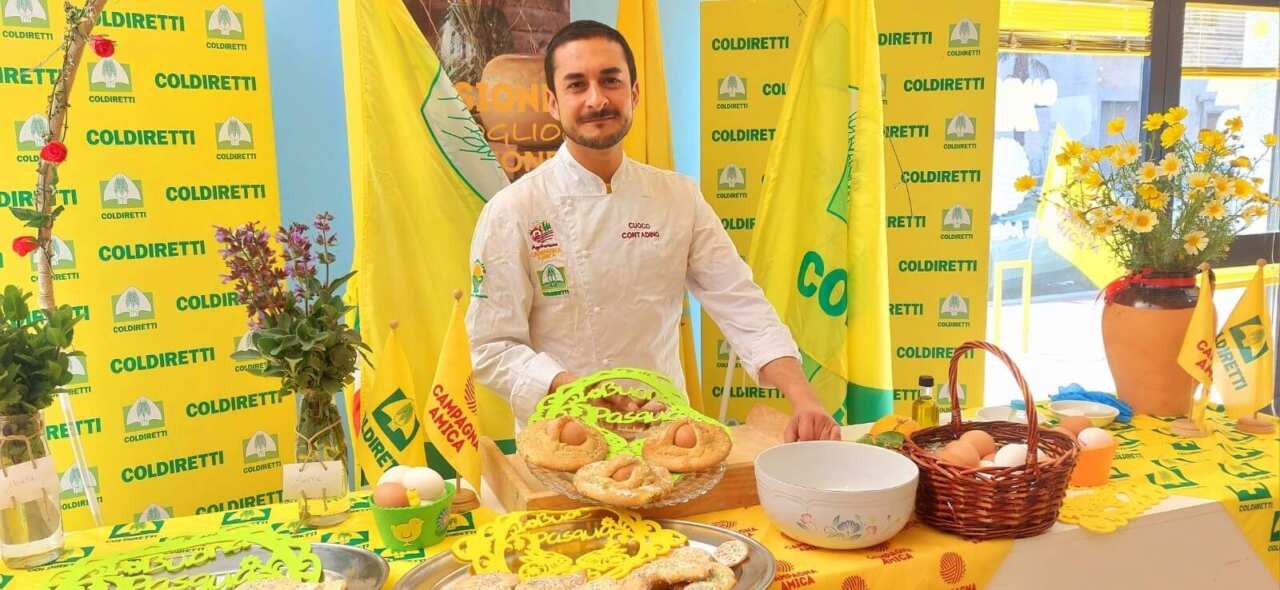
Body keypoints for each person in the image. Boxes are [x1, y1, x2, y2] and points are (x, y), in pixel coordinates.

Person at [465, 20, 840, 442]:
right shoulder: (513, 210)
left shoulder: (677, 197)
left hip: (667, 435)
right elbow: (491, 347)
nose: (596, 99)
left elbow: (740, 301)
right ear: (553, 102)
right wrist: (575, 389)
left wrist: (802, 397)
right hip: (563, 438)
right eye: (577, 85)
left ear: (635, 93)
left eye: (611, 80)